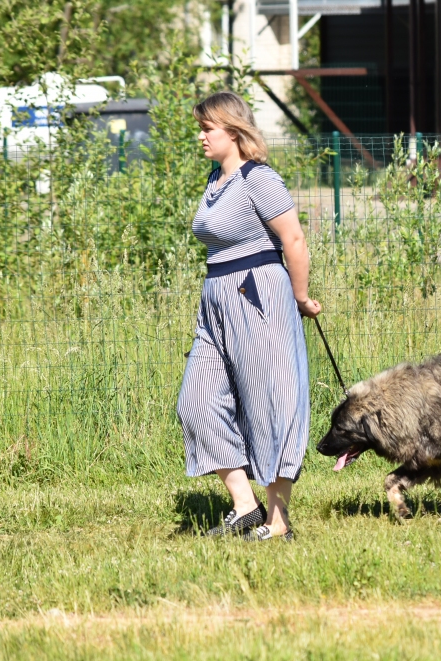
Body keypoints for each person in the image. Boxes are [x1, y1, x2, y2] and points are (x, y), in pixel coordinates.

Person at [176, 91, 321, 541]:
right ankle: (246, 506)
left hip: (257, 294)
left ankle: (278, 522)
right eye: (200, 128)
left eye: (208, 128)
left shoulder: (258, 178)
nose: (200, 136)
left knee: (269, 405)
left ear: (234, 132)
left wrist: (300, 297)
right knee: (196, 402)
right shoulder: (214, 181)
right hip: (217, 300)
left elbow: (293, 240)